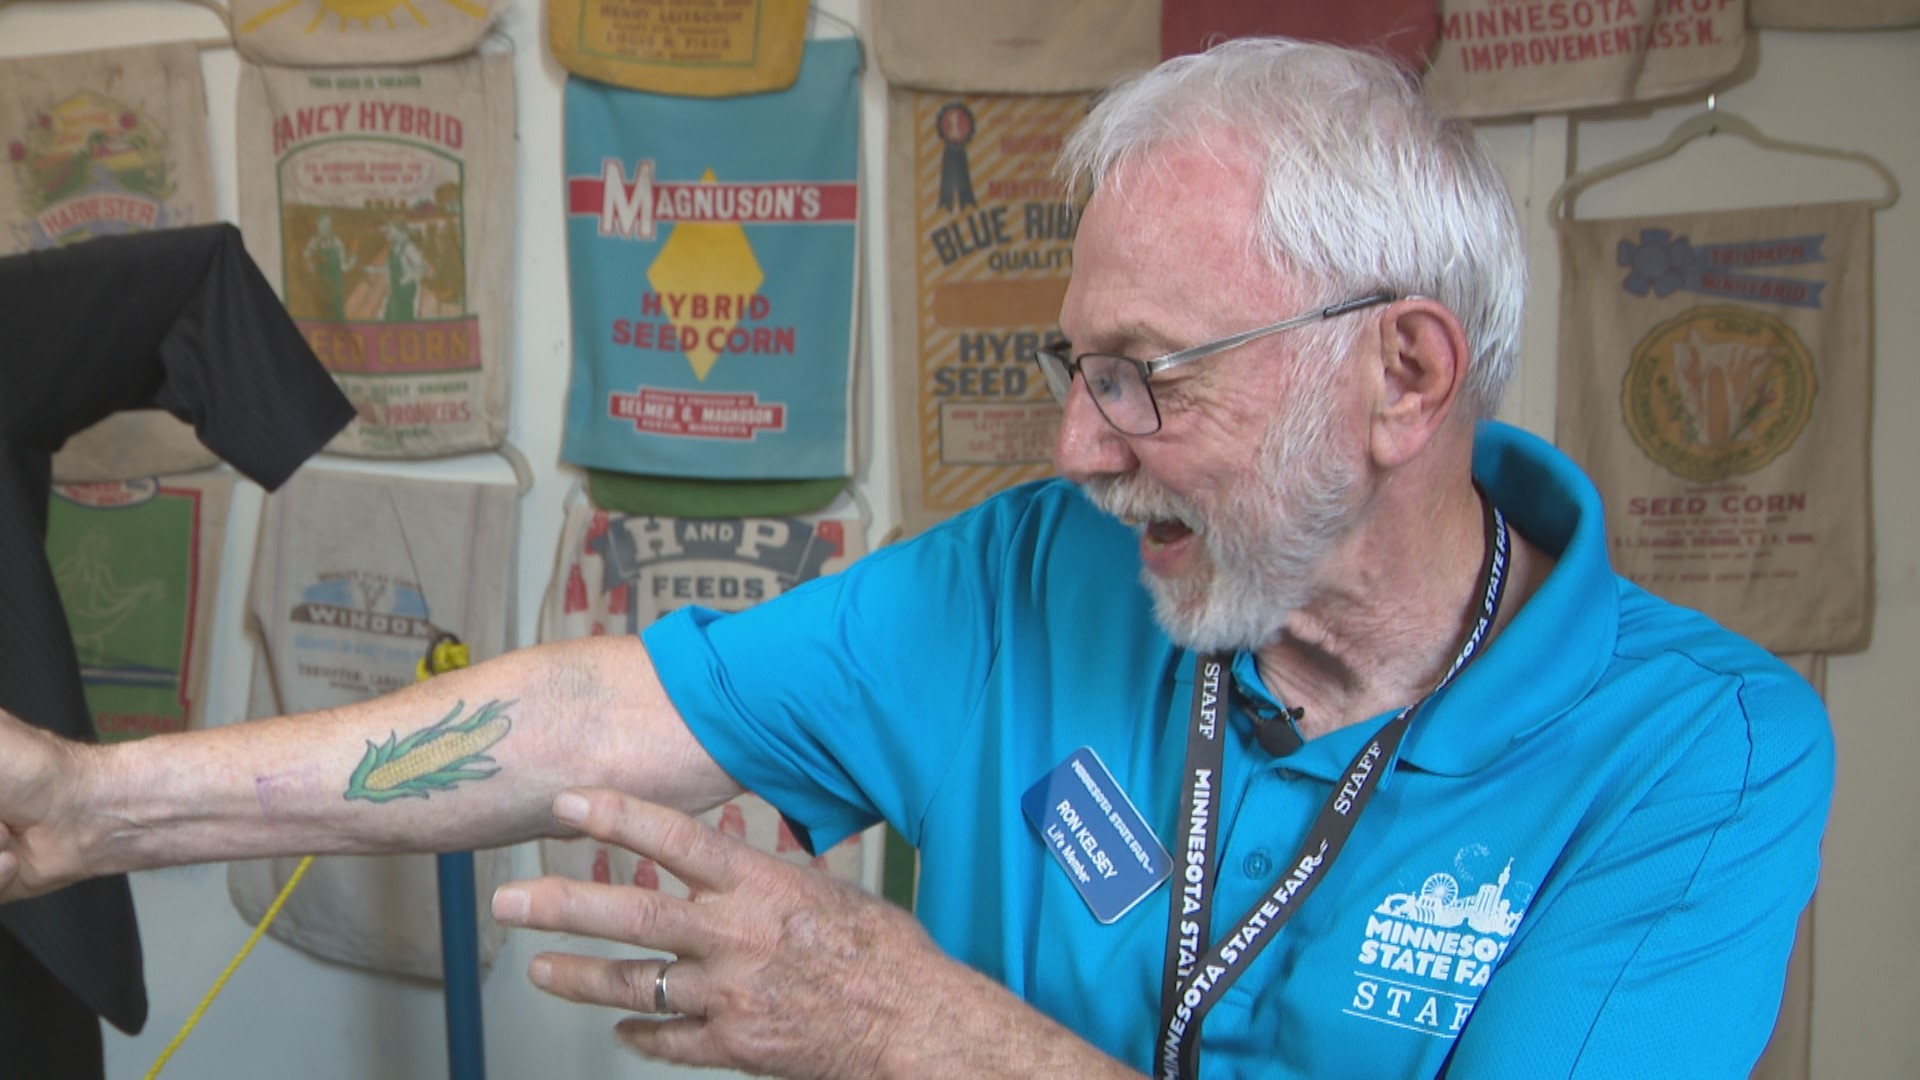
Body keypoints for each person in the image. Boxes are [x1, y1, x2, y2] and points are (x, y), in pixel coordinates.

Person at [0, 38, 1831, 1079]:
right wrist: (103, 804)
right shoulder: (1037, 572)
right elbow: (585, 722)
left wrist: (905, 1023)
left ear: (1401, 374)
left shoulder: (1703, 753)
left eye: (1144, 381)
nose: (1073, 447)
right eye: (1071, 368)